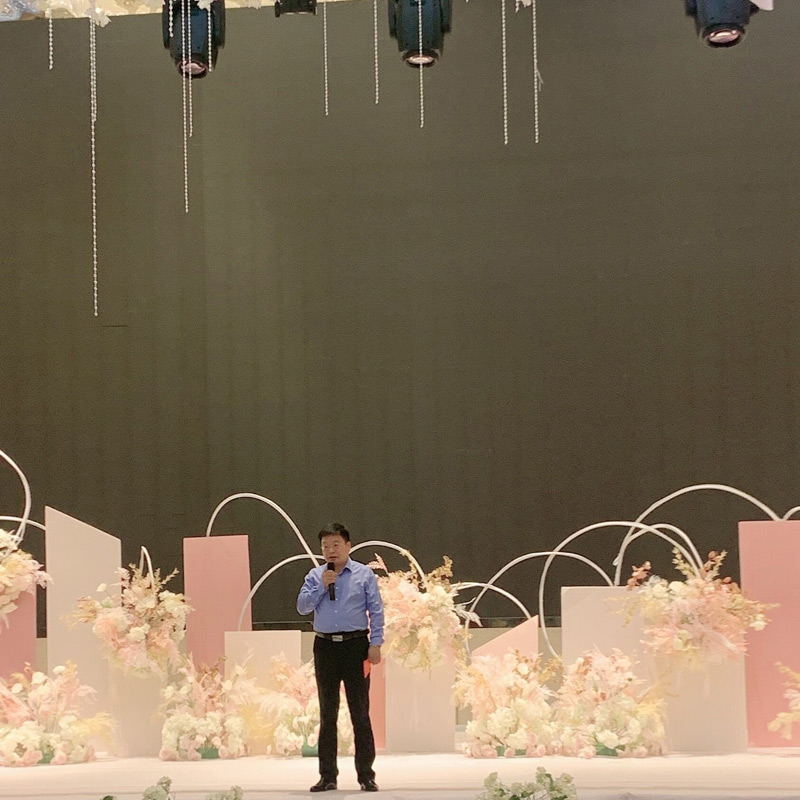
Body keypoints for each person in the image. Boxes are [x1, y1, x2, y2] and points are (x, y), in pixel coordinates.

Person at [297, 523, 384, 793]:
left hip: (356, 646)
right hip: (325, 647)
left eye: (335, 544)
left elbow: (376, 610)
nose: (330, 550)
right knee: (328, 713)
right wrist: (322, 587)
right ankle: (328, 776)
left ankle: (366, 775)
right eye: (325, 546)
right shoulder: (316, 575)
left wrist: (376, 643)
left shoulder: (364, 574)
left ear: (348, 546)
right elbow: (302, 607)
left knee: (360, 712)